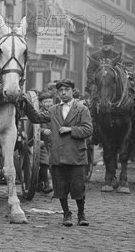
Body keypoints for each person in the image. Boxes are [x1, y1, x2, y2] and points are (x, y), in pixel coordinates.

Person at [22, 79, 93, 227]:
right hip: (58, 155)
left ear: (72, 91)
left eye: (66, 90)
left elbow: (88, 130)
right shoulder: (53, 110)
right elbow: (36, 118)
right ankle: (66, 214)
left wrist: (71, 130)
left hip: (76, 155)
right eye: (60, 91)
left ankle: (81, 214)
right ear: (57, 93)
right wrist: (26, 103)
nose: (63, 93)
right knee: (60, 187)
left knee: (78, 187)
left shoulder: (82, 109)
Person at [37, 92, 54, 194]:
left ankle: (38, 183)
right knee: (45, 162)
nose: (48, 103)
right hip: (41, 142)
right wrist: (43, 131)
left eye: (49, 101)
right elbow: (34, 128)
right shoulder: (38, 114)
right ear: (41, 103)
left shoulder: (56, 112)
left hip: (54, 142)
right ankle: (46, 183)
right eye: (45, 101)